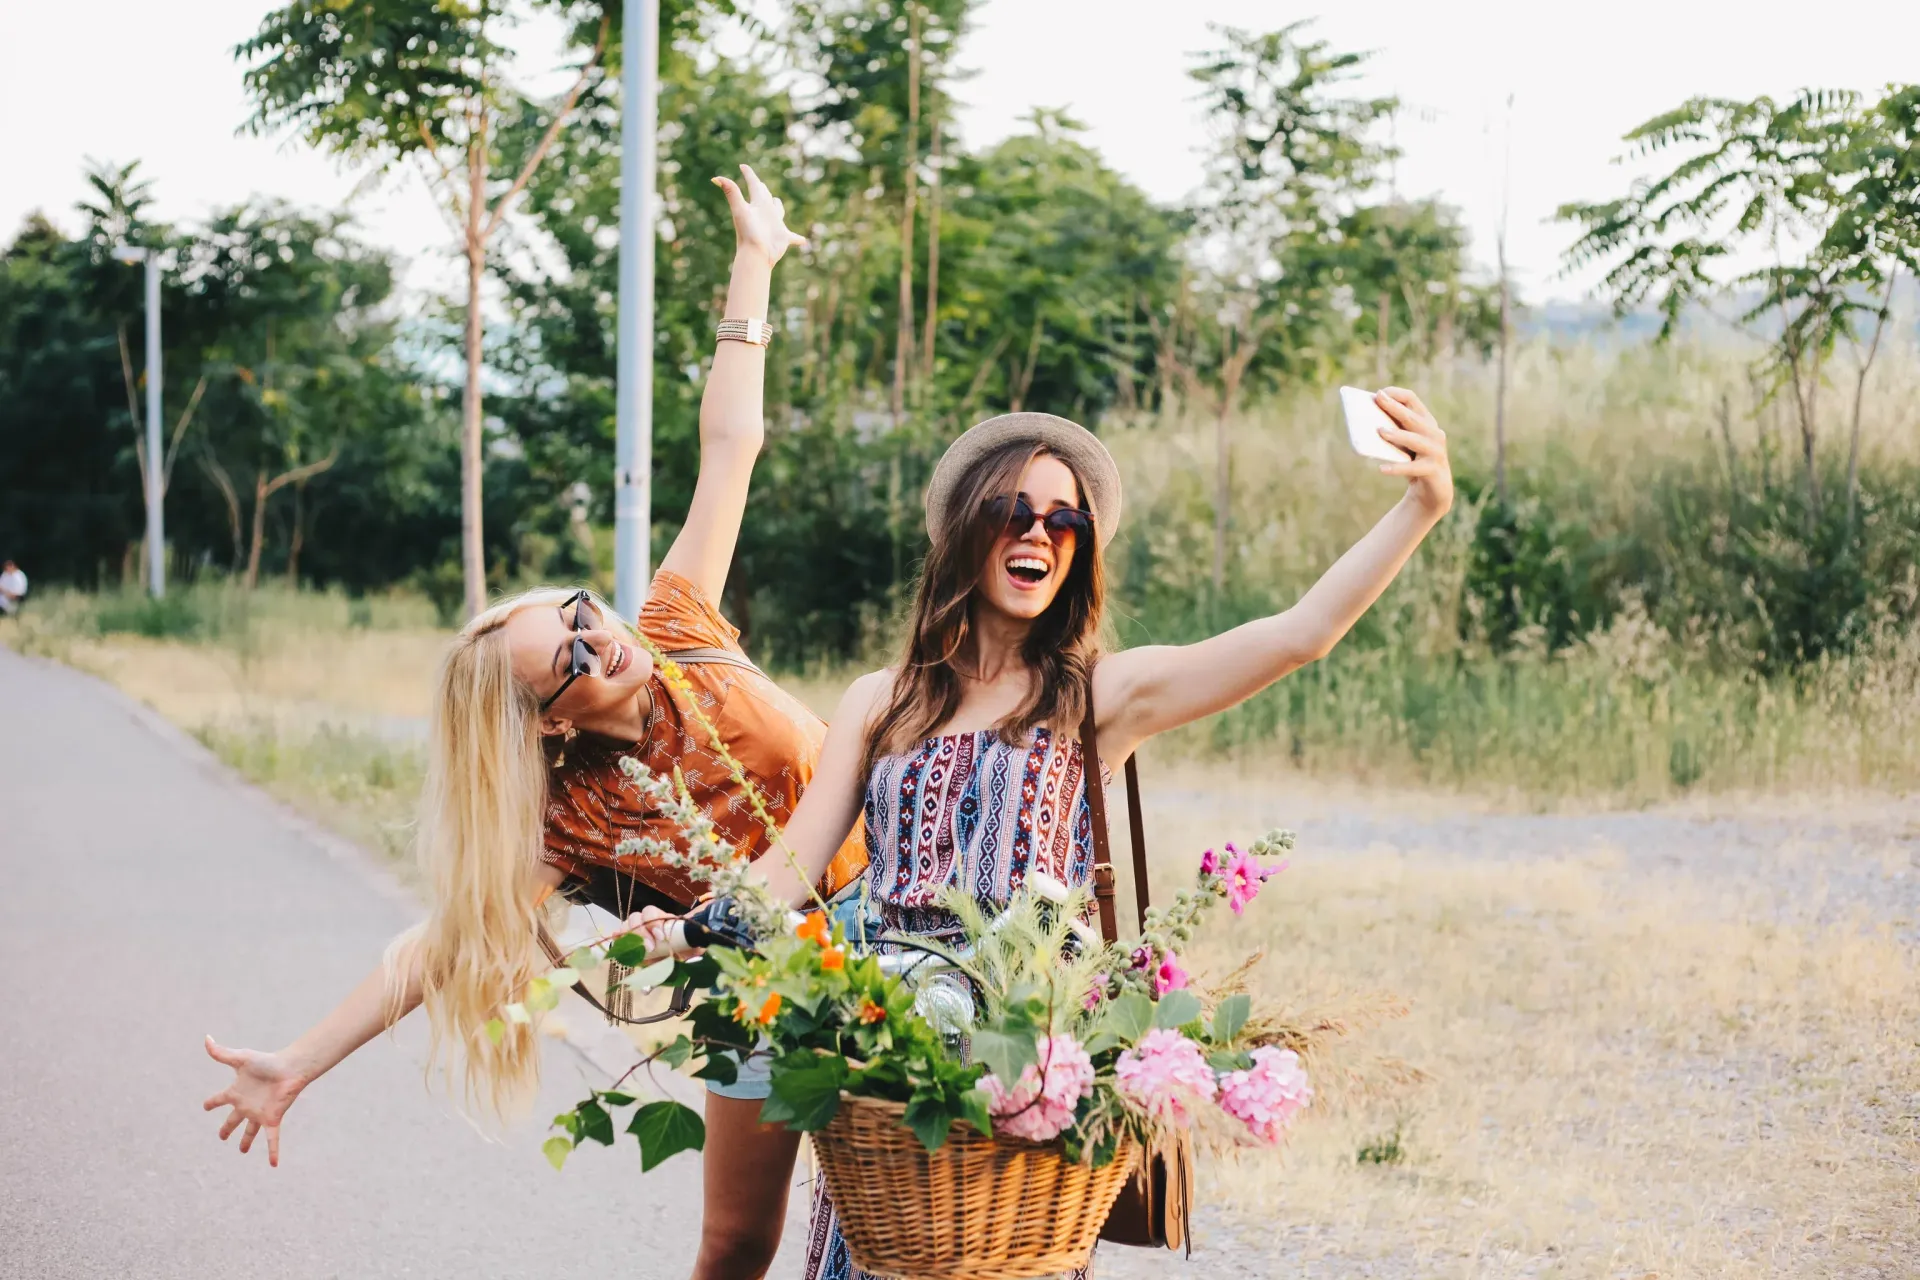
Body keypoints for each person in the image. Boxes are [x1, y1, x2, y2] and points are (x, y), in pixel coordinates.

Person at [200, 165, 866, 1280]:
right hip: (768, 987)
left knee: (914, 1213)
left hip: (899, 930)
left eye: (577, 611)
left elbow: (729, 447)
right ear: (550, 727)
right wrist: (299, 1061)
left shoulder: (679, 623)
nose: (596, 634)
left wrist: (754, 262)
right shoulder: (573, 819)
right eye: (567, 657)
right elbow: (449, 943)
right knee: (737, 1242)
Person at [740, 399, 1453, 1279]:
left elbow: (1300, 634)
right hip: (893, 1074)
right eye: (1013, 511)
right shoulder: (879, 701)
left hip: (1025, 1079)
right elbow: (792, 868)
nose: (1038, 532)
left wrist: (1421, 507)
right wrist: (687, 924)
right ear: (967, 531)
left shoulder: (1099, 696)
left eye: (1064, 518)